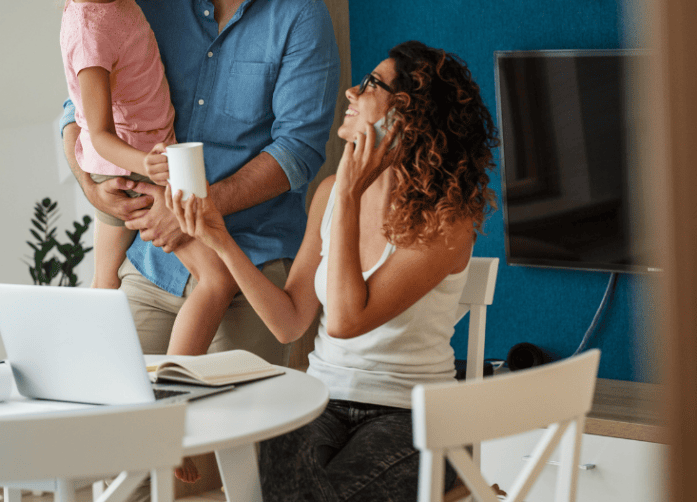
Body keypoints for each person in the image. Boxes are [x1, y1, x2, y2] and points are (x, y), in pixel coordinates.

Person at [170, 41, 500, 501]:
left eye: (370, 84)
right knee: (258, 475)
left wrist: (349, 190)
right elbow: (289, 323)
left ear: (408, 113)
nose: (350, 91)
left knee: (306, 496)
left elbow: (345, 322)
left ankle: (451, 483)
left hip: (413, 417)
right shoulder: (329, 194)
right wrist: (218, 237)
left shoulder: (445, 220)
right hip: (321, 401)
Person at [60, 0, 340, 367]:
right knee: (116, 416)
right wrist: (91, 185)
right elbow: (77, 108)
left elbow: (298, 152)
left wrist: (196, 208)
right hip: (153, 260)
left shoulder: (302, 18)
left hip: (251, 259)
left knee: (222, 436)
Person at [60, 0, 240, 362]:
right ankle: (176, 384)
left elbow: (123, 24)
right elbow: (94, 133)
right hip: (133, 168)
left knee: (104, 286)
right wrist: (149, 171)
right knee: (217, 278)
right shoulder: (90, 35)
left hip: (132, 164)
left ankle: (95, 379)